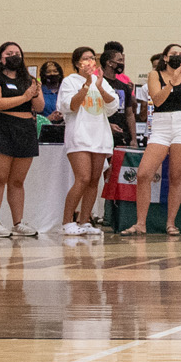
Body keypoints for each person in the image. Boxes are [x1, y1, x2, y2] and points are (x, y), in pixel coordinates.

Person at [128, 44, 181, 236]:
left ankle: (171, 223)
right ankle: (141, 223)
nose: (177, 57)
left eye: (180, 54)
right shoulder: (154, 75)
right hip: (161, 125)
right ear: (165, 58)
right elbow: (157, 100)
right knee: (144, 173)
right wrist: (171, 83)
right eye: (173, 54)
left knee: (176, 175)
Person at [0, 41, 42, 238]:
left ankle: (18, 223)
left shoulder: (27, 79)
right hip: (1, 128)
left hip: (25, 130)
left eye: (17, 53)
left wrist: (35, 92)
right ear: (1, 57)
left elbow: (39, 107)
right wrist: (24, 97)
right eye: (9, 53)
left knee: (17, 181)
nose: (14, 56)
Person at [58, 47, 118, 238]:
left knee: (94, 180)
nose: (90, 61)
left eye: (92, 58)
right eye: (85, 58)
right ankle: (67, 221)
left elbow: (113, 106)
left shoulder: (102, 82)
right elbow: (71, 106)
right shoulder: (70, 81)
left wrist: (99, 86)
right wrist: (86, 86)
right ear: (77, 63)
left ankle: (84, 220)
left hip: (99, 136)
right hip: (79, 136)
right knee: (82, 178)